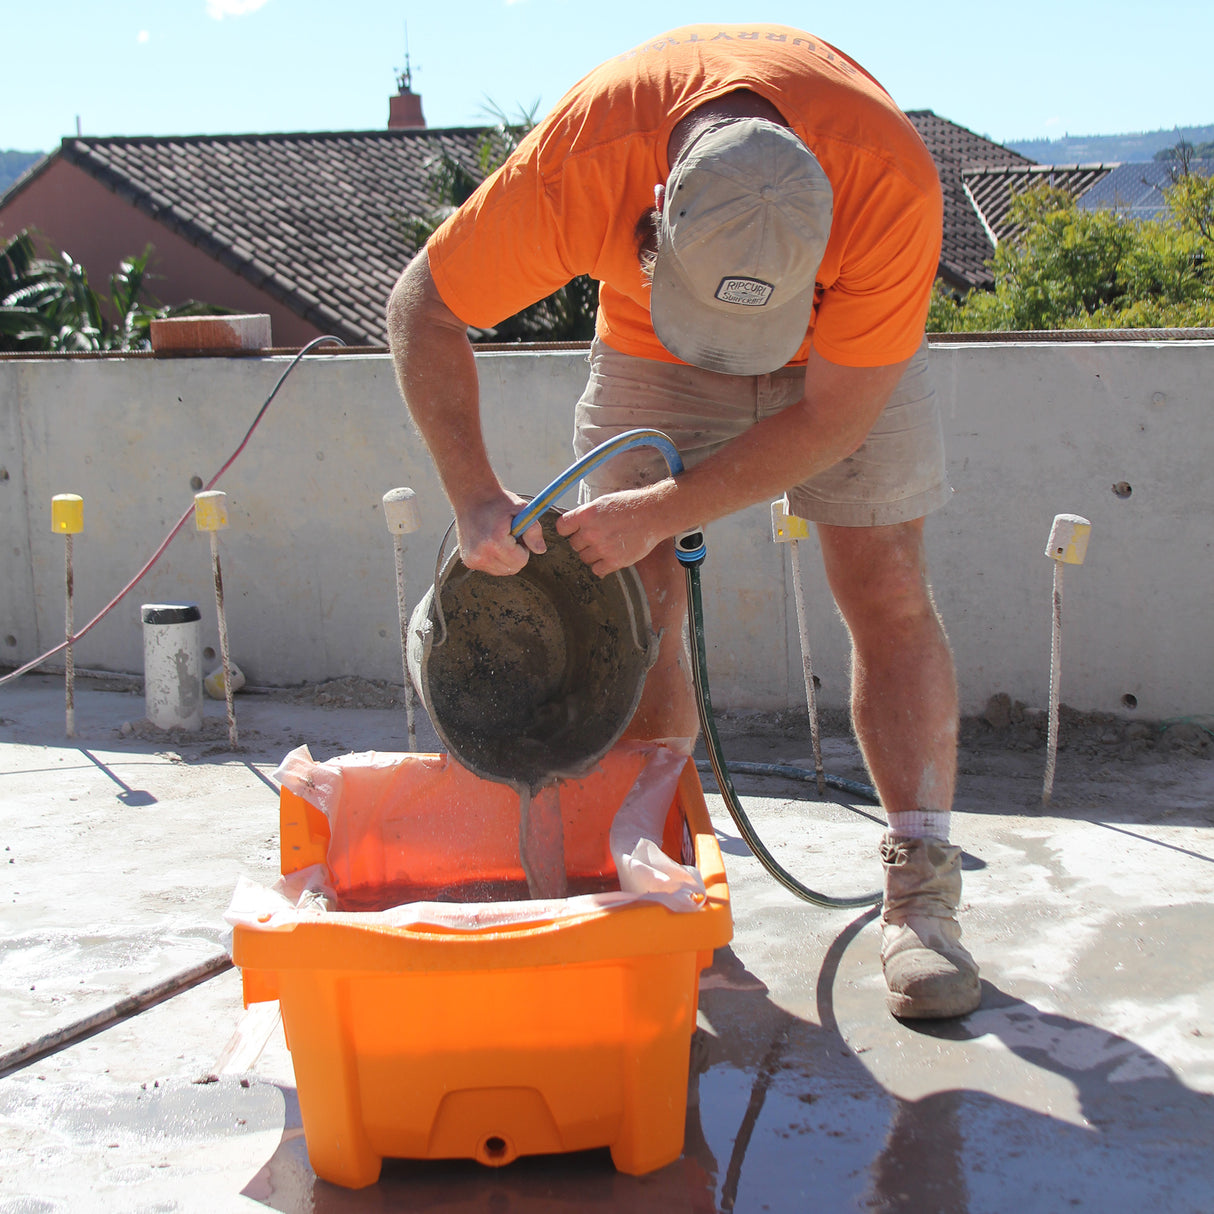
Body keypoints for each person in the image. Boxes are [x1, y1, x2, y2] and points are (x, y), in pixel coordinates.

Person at [387, 23, 980, 1020]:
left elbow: (832, 419)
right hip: (648, 350)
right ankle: (656, 877)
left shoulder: (887, 183)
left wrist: (666, 504)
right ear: (654, 210)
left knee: (883, 584)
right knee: (631, 606)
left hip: (839, 355)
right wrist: (474, 495)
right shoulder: (585, 158)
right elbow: (423, 308)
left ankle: (918, 893)